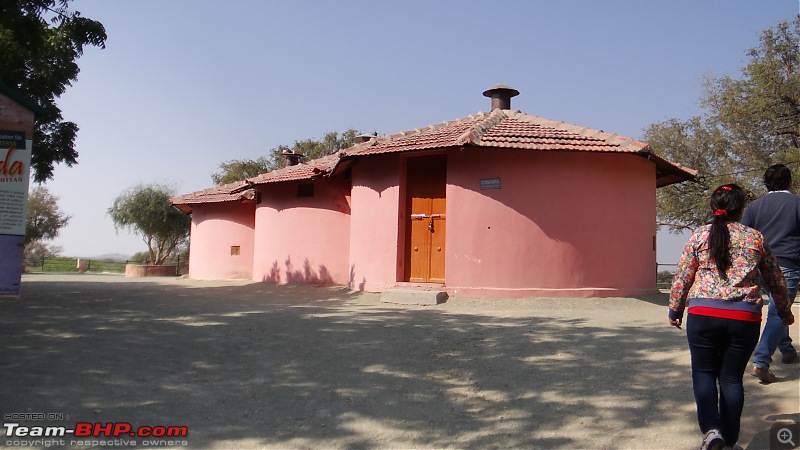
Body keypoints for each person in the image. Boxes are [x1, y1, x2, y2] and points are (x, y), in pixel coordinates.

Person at [668, 184, 795, 450]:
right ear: (741, 209)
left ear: (714, 207)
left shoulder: (699, 235)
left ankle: (712, 432)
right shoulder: (755, 238)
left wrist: (675, 309)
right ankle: (730, 439)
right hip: (744, 317)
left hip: (703, 314)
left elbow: (682, 276)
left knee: (703, 372)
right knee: (731, 378)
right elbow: (775, 278)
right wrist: (784, 310)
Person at [740, 164, 800, 383]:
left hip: (758, 266)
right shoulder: (797, 203)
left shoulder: (754, 207)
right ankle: (761, 361)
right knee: (778, 311)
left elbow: (744, 237)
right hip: (787, 265)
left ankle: (786, 349)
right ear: (789, 181)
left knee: (777, 306)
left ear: (766, 183)